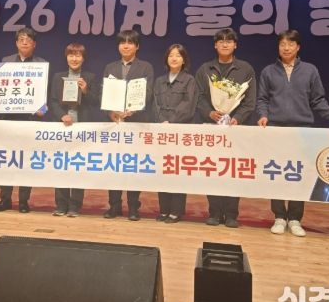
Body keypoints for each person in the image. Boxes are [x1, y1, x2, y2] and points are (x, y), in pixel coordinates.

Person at [256, 30, 329, 237]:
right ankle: (279, 217)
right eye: (282, 44)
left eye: (291, 44)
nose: (286, 48)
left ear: (298, 47)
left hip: (302, 130)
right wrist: (263, 115)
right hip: (276, 130)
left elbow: (318, 100)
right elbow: (262, 99)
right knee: (276, 172)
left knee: (297, 174)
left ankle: (295, 219)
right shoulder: (268, 71)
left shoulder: (310, 70)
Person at [195, 28, 256, 228]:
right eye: (220, 41)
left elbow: (250, 101)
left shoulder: (245, 69)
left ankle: (231, 214)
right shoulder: (205, 69)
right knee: (212, 169)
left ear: (235, 45)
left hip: (235, 130)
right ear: (215, 45)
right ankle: (214, 212)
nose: (225, 44)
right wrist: (209, 113)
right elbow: (199, 97)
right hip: (212, 128)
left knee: (232, 171)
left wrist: (237, 118)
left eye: (229, 41)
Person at [0, 27, 48, 213]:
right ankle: (5, 199)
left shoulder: (41, 64)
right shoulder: (5, 62)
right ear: (16, 43)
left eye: (28, 39)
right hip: (8, 119)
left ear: (34, 44)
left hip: (30, 121)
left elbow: (44, 94)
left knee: (26, 161)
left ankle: (23, 201)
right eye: (21, 39)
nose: (24, 42)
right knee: (7, 160)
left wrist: (42, 109)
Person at [102, 29, 154, 221]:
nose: (126, 46)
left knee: (133, 166)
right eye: (122, 42)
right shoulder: (110, 67)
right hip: (115, 124)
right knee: (114, 165)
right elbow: (104, 93)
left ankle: (133, 207)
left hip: (136, 124)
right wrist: (110, 112)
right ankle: (114, 206)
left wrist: (133, 110)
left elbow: (148, 93)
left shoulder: (146, 67)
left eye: (130, 42)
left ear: (137, 46)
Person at [48, 43, 99, 217]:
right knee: (61, 165)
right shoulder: (58, 77)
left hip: (82, 127)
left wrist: (85, 90)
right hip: (62, 126)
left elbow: (96, 102)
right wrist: (62, 115)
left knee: (78, 165)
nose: (74, 59)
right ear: (66, 57)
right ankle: (61, 205)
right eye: (71, 55)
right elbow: (53, 101)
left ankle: (75, 206)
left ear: (83, 58)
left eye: (78, 55)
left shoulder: (90, 77)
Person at [152, 44, 198, 224]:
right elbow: (155, 103)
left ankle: (176, 211)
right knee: (163, 169)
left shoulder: (189, 80)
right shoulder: (159, 81)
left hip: (179, 131)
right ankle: (164, 209)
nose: (174, 58)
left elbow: (188, 105)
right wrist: (161, 122)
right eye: (171, 55)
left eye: (178, 55)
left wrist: (171, 122)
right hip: (162, 131)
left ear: (184, 60)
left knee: (177, 170)